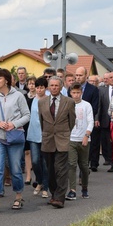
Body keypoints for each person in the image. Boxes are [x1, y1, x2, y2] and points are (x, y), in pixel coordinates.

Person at [0, 69, 30, 212]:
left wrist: (14, 124)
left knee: (15, 169)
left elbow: (27, 115)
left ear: (6, 80)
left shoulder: (18, 96)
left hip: (15, 136)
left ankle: (18, 197)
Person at [38, 77, 75, 208]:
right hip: (48, 139)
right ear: (48, 87)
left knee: (61, 169)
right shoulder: (41, 102)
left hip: (62, 138)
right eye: (51, 85)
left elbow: (72, 121)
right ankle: (54, 194)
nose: (54, 87)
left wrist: (64, 133)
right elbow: (41, 121)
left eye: (56, 85)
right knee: (50, 169)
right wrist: (47, 133)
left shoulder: (69, 102)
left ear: (61, 87)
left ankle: (60, 198)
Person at [67, 83, 93, 199]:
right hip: (71, 139)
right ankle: (72, 190)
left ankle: (85, 187)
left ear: (81, 92)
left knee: (83, 166)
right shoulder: (67, 104)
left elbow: (91, 121)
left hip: (84, 139)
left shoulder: (86, 105)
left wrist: (87, 135)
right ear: (70, 93)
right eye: (74, 93)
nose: (76, 95)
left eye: (78, 93)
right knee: (71, 164)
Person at [26, 77, 49, 199]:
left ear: (45, 88)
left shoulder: (49, 100)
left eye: (41, 87)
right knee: (35, 161)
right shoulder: (31, 100)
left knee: (45, 162)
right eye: (37, 87)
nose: (39, 89)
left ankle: (45, 187)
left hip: (46, 134)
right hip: (33, 134)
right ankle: (39, 182)